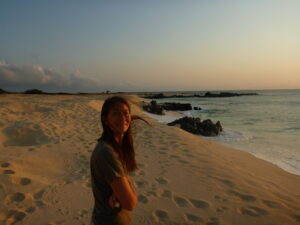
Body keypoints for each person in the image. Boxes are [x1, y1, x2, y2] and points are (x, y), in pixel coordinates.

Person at [90, 96, 147, 225]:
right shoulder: (106, 152)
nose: (122, 118)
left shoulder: (114, 147)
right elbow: (130, 203)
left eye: (125, 113)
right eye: (116, 113)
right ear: (105, 120)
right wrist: (124, 191)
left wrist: (118, 193)